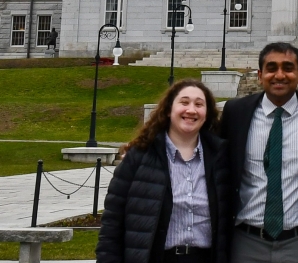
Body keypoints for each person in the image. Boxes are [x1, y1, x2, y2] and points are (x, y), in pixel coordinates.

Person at [219, 42, 298, 263]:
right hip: (246, 241)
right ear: (260, 74)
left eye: (288, 67)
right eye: (272, 68)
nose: (280, 75)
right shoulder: (236, 112)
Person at [98, 79, 232, 263]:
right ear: (169, 110)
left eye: (199, 104)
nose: (191, 110)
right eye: (184, 102)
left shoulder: (221, 158)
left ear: (206, 113)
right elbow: (112, 223)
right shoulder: (139, 156)